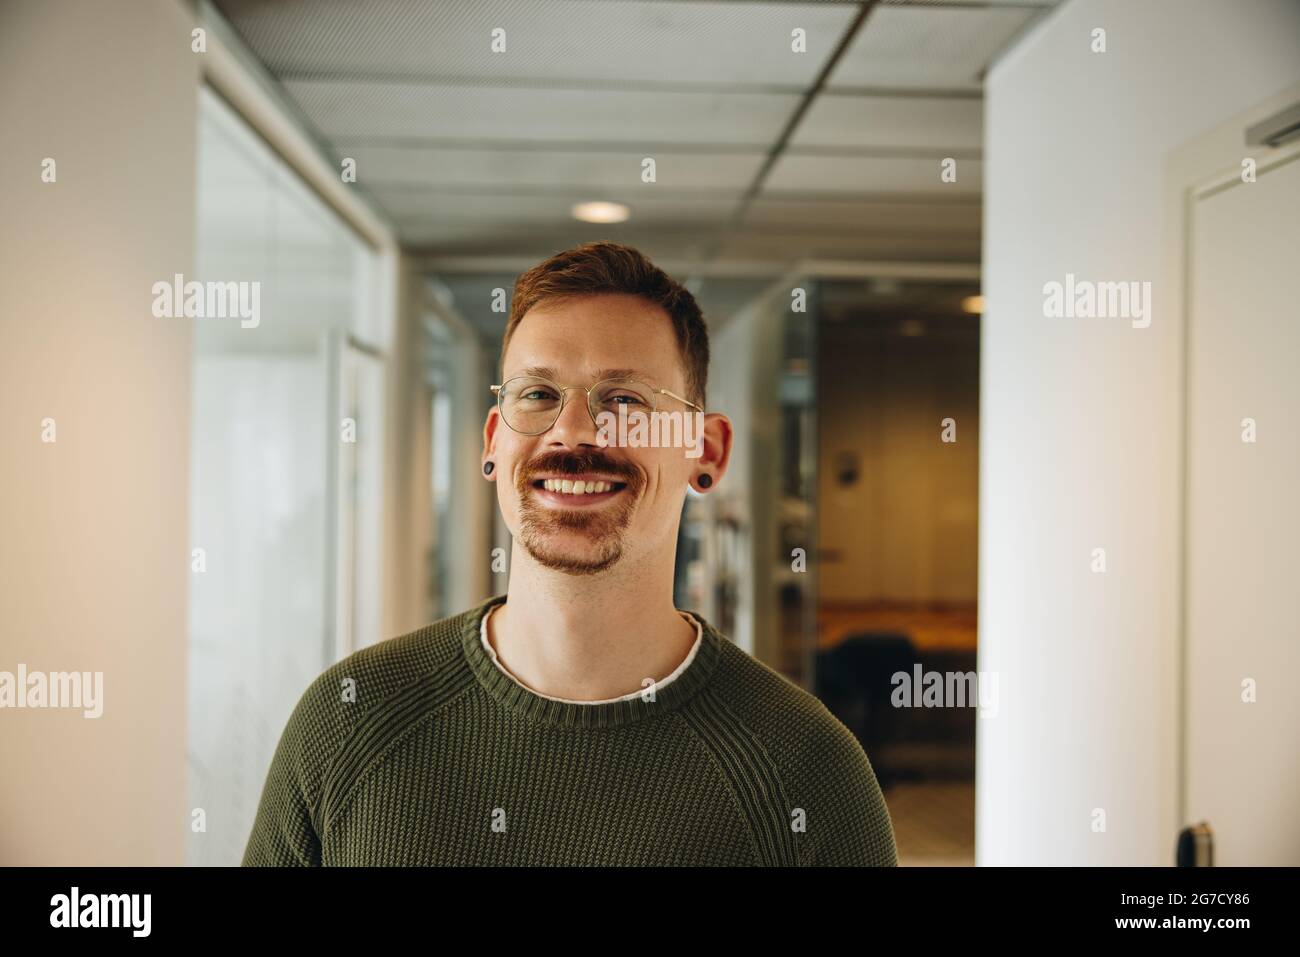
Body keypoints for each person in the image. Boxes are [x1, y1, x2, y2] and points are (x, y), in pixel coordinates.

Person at [242, 241, 897, 866]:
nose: (574, 431)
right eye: (538, 394)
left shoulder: (806, 768)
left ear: (707, 451)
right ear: (494, 442)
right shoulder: (350, 720)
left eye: (624, 399)